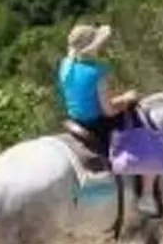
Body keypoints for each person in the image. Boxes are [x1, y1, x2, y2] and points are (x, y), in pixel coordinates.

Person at [56, 23, 140, 153]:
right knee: (134, 119)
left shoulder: (66, 64)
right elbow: (109, 111)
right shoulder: (96, 72)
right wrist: (127, 98)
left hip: (76, 119)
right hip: (96, 124)